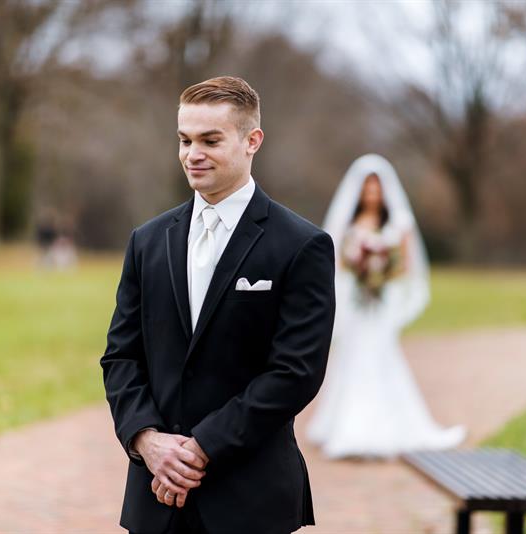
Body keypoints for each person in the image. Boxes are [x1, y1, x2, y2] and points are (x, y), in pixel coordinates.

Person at [100, 77, 336, 534]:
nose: (193, 153)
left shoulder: (302, 245)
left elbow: (296, 372)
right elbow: (120, 356)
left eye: (210, 140)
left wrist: (201, 447)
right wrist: (147, 441)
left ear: (253, 141)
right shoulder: (147, 241)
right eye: (185, 140)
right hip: (156, 496)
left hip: (250, 498)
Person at [307, 154, 465, 459]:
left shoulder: (398, 223)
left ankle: (385, 427)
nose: (372, 194)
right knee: (353, 356)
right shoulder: (349, 223)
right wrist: (360, 268)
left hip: (380, 304)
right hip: (357, 302)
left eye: (376, 189)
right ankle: (345, 425)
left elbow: (406, 266)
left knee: (379, 355)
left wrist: (380, 273)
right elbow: (336, 259)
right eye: (367, 189)